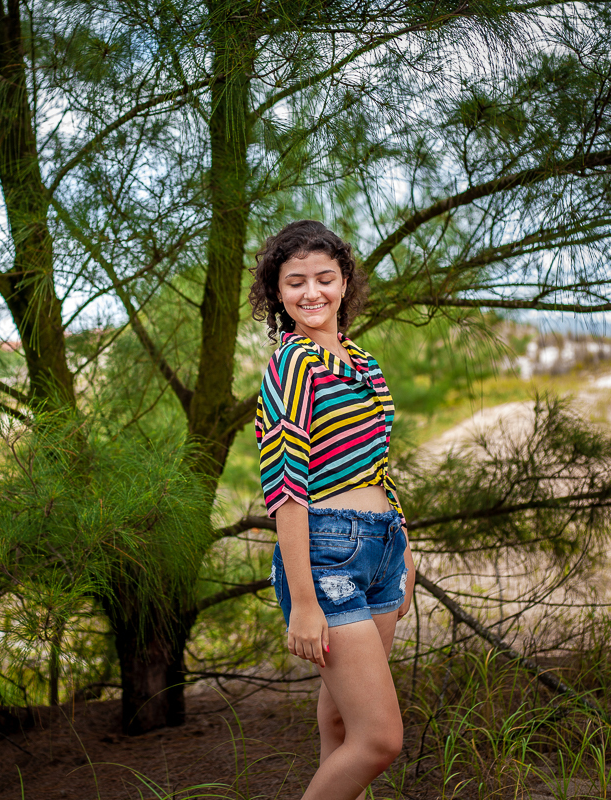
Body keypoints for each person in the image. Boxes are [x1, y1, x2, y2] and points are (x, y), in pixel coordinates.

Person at [248, 220, 415, 800]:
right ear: (278, 293)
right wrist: (304, 603)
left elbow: (374, 465)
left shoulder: (362, 362)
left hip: (381, 550)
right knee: (379, 741)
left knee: (343, 725)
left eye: (324, 277)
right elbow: (285, 488)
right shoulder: (294, 365)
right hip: (327, 557)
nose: (311, 293)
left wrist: (404, 548)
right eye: (295, 282)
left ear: (345, 283)